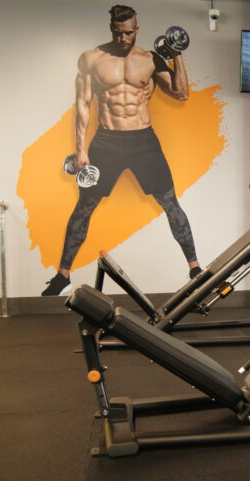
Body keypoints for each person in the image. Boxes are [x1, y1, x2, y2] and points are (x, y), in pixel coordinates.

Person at [42, 4, 201, 296]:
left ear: (137, 30)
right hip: (106, 141)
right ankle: (63, 274)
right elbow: (82, 105)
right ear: (111, 29)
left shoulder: (151, 60)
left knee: (170, 202)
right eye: (118, 32)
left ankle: (195, 269)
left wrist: (177, 54)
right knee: (84, 207)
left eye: (128, 32)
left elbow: (181, 93)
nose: (123, 38)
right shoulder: (91, 59)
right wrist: (80, 149)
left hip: (143, 141)